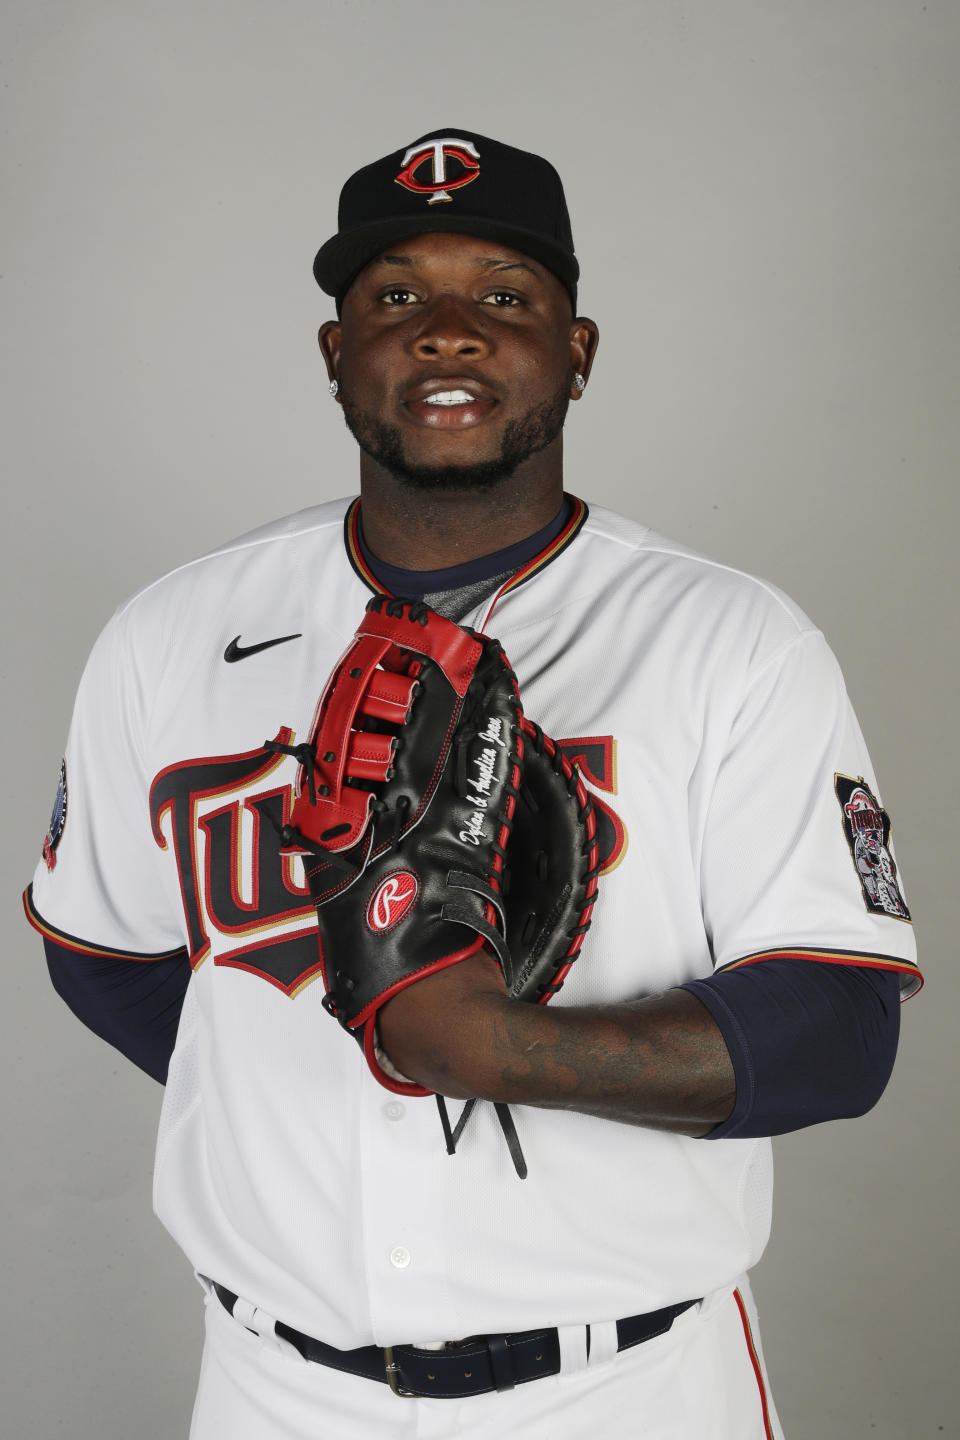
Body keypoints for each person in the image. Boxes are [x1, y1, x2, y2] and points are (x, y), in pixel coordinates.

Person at [24, 129, 920, 1439]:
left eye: (504, 294)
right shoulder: (171, 635)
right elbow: (101, 954)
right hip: (279, 1388)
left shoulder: (732, 640)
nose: (448, 332)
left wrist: (490, 1049)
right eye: (396, 297)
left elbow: (838, 1027)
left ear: (579, 348)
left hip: (633, 1388)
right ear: (339, 352)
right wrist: (296, 1084)